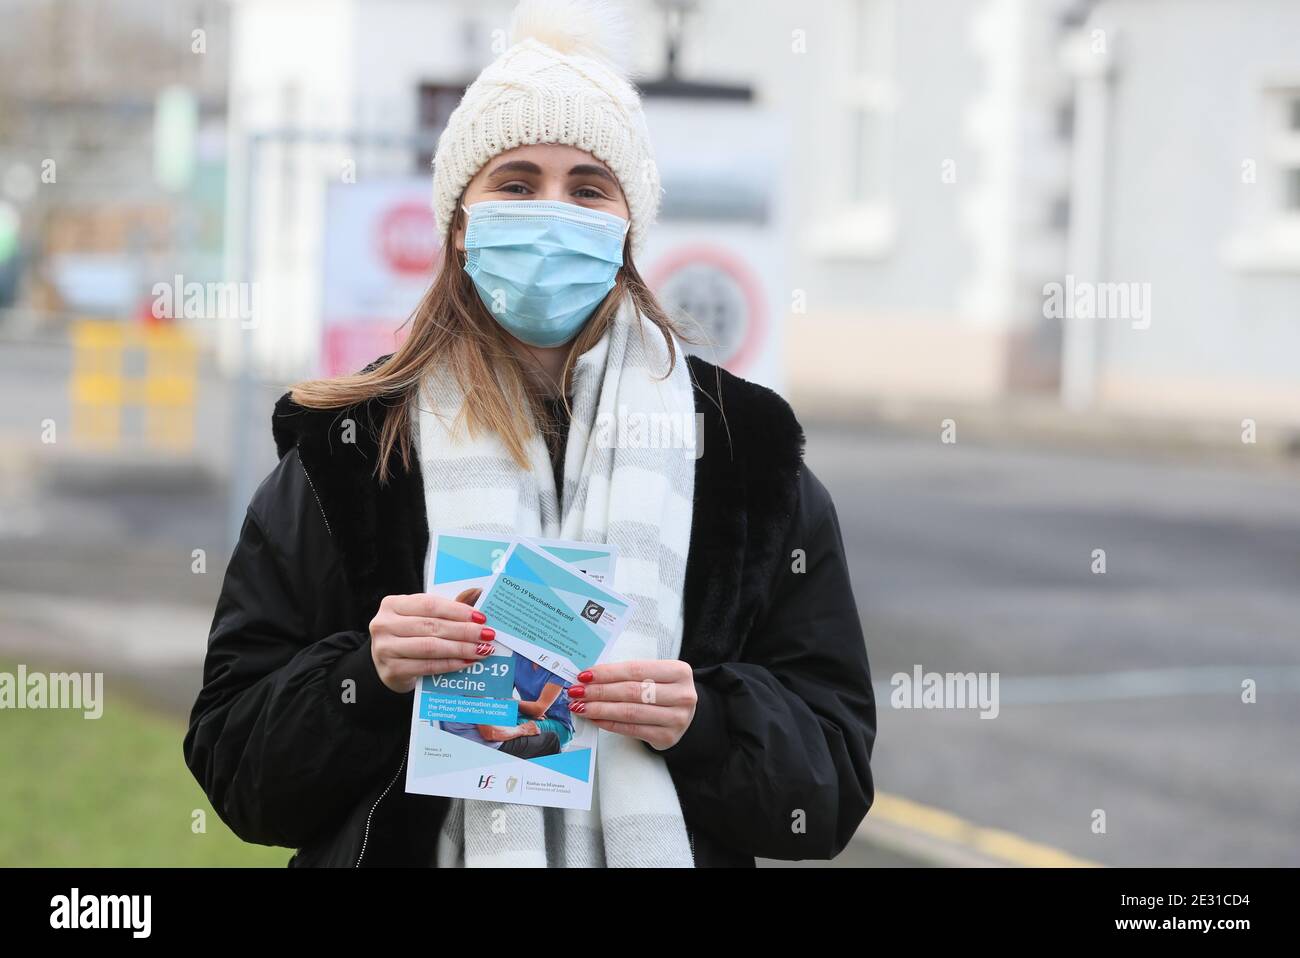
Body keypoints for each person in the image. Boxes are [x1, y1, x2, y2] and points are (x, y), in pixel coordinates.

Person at [184, 0, 876, 868]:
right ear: (461, 221)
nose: (554, 210)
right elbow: (237, 770)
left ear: (629, 225)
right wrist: (367, 674)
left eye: (588, 187)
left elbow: (833, 782)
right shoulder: (351, 453)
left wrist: (707, 722)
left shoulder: (745, 457)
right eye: (516, 182)